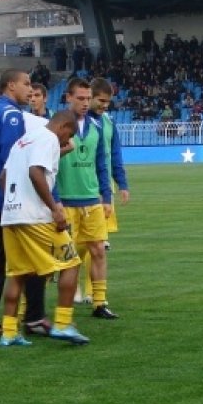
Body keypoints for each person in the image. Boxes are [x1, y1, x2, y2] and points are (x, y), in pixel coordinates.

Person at [0, 110, 89, 347]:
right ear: (64, 126)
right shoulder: (47, 138)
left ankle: (8, 332)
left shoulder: (22, 141)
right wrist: (54, 209)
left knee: (18, 274)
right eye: (68, 135)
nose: (66, 142)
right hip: (35, 217)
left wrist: (12, 203)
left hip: (11, 216)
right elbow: (35, 172)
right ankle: (62, 323)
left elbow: (2, 177)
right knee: (71, 263)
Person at [0, 69, 50, 337]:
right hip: (12, 200)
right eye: (26, 84)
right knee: (34, 258)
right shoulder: (12, 115)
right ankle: (33, 318)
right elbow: (14, 158)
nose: (30, 90)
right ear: (10, 86)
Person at [56, 78, 117, 319]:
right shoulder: (57, 125)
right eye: (79, 98)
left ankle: (99, 303)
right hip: (66, 200)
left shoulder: (97, 126)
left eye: (86, 98)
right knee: (68, 259)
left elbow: (102, 163)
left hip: (92, 199)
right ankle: (65, 306)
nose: (84, 103)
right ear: (68, 97)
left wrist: (106, 196)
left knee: (99, 250)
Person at [81, 77, 130, 302]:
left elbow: (114, 156)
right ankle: (72, 288)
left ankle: (92, 292)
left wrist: (122, 184)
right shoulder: (76, 122)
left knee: (98, 244)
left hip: (103, 190)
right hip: (79, 189)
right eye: (101, 101)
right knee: (78, 244)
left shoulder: (108, 123)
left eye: (108, 102)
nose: (104, 106)